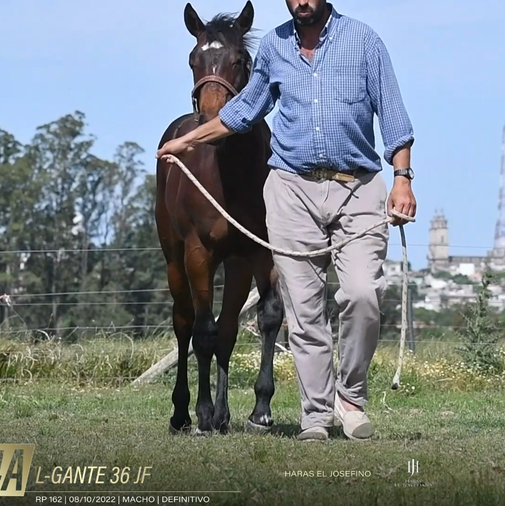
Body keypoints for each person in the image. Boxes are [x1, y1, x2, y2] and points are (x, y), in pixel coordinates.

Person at [157, 0, 417, 441]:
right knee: (303, 307)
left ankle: (349, 397)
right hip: (292, 187)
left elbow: (394, 118)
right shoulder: (276, 47)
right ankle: (315, 415)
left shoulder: (364, 42)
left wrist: (402, 179)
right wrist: (188, 140)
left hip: (357, 185)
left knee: (362, 294)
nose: (301, 2)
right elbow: (243, 112)